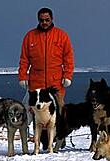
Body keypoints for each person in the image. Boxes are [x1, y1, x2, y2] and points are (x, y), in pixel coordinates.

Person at [18, 7, 75, 150]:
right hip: (36, 83)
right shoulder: (30, 36)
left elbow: (68, 57)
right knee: (36, 113)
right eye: (42, 20)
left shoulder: (62, 36)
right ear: (38, 20)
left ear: (52, 19)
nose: (44, 22)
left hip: (56, 82)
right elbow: (24, 59)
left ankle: (59, 139)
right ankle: (42, 141)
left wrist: (67, 75)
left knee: (57, 113)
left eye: (47, 20)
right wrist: (22, 76)